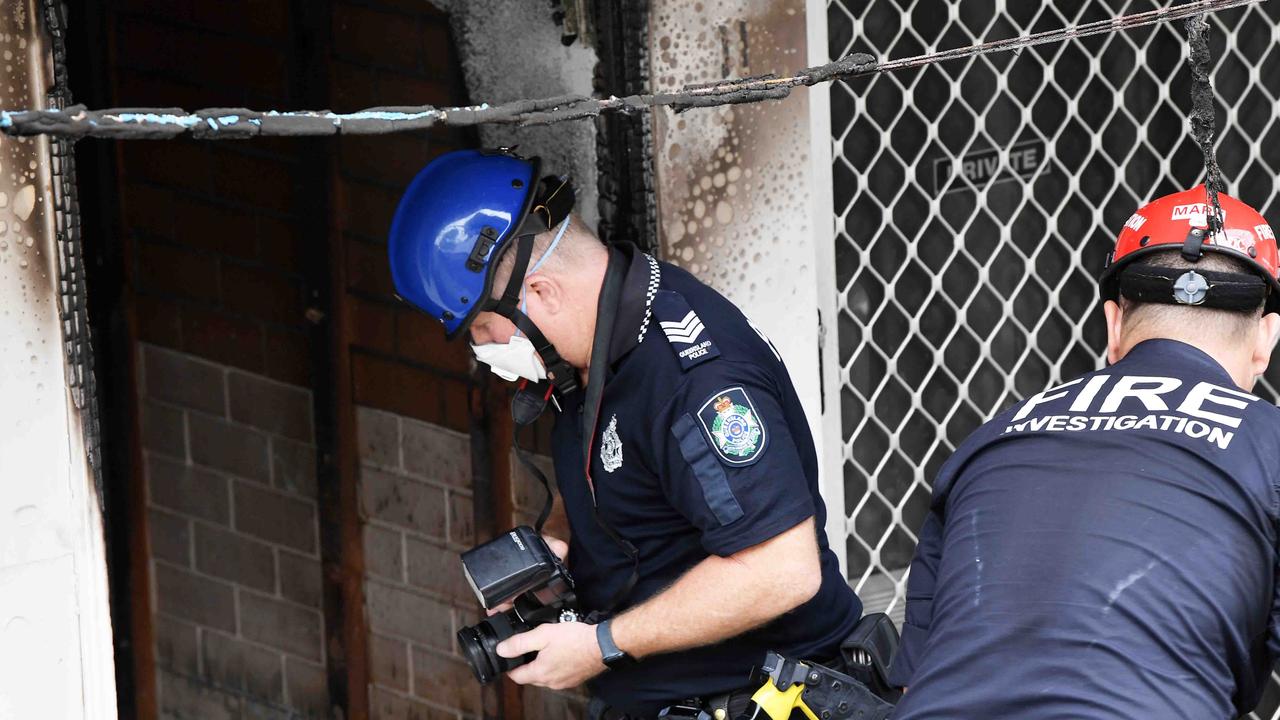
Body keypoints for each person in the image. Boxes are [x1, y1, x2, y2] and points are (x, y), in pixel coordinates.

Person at [387, 148, 863, 718]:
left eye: (484, 330)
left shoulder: (695, 380)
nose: (485, 352)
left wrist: (600, 645)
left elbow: (783, 569)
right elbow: (621, 466)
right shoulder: (589, 349)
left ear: (539, 294)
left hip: (768, 699)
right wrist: (559, 551)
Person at [887, 186, 1280, 718]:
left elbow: (917, 678)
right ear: (1267, 339)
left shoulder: (992, 439)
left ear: (1113, 325)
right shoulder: (1268, 441)